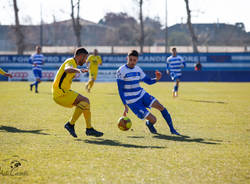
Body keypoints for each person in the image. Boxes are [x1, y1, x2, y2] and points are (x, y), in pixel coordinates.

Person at [116, 50, 180, 135]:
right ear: (127, 58)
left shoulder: (138, 69)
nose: (132, 62)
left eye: (134, 60)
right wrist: (125, 105)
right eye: (130, 59)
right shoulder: (121, 71)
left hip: (142, 95)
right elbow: (120, 90)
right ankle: (149, 124)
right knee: (154, 120)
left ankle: (172, 130)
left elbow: (148, 81)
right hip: (133, 102)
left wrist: (156, 79)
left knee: (161, 107)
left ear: (137, 60)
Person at [52, 47, 103, 138]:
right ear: (80, 56)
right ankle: (71, 124)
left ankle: (89, 128)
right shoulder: (71, 61)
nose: (85, 61)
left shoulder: (74, 64)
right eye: (85, 58)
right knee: (85, 100)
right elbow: (67, 69)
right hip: (60, 93)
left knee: (85, 103)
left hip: (64, 92)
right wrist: (78, 71)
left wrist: (74, 73)